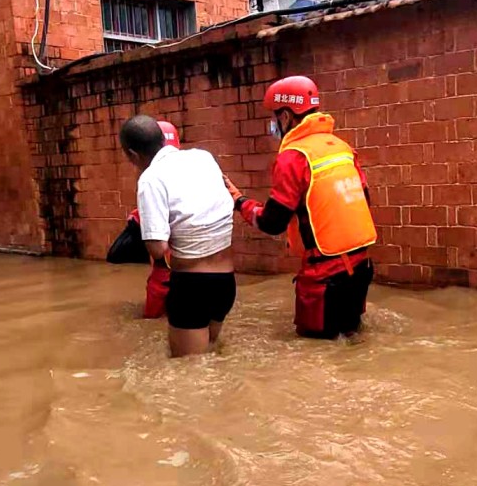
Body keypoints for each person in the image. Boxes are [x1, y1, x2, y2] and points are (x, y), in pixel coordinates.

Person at [224, 76, 377, 339]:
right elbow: (364, 198)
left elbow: (273, 222)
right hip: (360, 269)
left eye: (274, 117)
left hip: (324, 276)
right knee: (352, 342)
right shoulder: (342, 148)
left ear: (285, 116)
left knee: (317, 354)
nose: (273, 125)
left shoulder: (293, 156)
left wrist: (239, 202)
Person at [120, 114, 236, 358]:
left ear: (132, 155)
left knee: (188, 374)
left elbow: (158, 249)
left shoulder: (150, 179)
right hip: (225, 284)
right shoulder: (203, 158)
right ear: (163, 139)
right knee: (214, 357)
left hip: (192, 287)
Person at [106, 121, 181, 319]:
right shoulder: (198, 171)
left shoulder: (150, 184)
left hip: (167, 274)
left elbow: (117, 254)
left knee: (155, 322)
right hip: (208, 275)